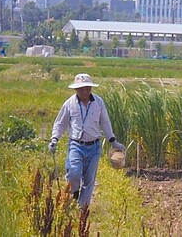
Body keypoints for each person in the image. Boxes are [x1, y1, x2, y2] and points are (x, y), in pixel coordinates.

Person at [48, 73, 125, 206]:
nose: (84, 91)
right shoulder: (69, 104)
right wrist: (54, 139)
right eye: (81, 88)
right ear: (75, 89)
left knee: (89, 179)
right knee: (74, 173)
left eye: (87, 88)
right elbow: (60, 123)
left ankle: (82, 208)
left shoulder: (98, 102)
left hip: (94, 146)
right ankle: (74, 192)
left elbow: (105, 122)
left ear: (91, 88)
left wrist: (113, 141)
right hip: (76, 145)